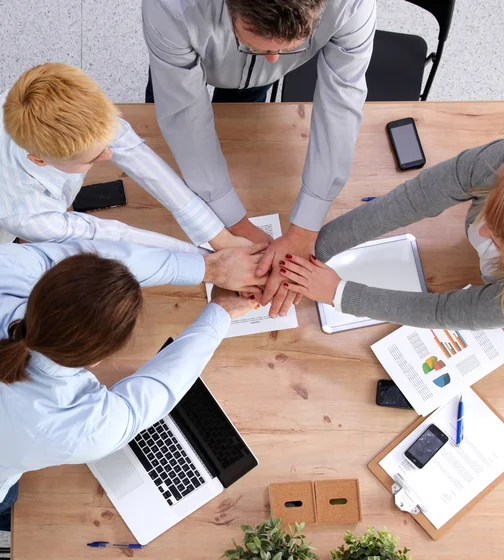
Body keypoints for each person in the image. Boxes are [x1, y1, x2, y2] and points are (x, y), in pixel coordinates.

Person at [0, 239, 267, 530]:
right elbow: (157, 390)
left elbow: (74, 255)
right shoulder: (78, 427)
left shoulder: (9, 266)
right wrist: (222, 309)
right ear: (97, 360)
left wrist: (210, 268)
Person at [142, 0, 376, 317]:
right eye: (255, 46)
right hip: (184, 60)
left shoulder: (352, 3)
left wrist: (305, 228)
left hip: (247, 90)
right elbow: (183, 115)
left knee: (251, 94)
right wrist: (233, 221)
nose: (273, 59)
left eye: (288, 48)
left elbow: (342, 100)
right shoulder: (171, 8)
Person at [279, 137, 504, 331]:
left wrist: (339, 293)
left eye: (500, 240)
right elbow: (407, 202)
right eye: (492, 213)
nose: (484, 230)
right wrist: (310, 252)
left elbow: (443, 312)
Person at [0, 63, 249, 250]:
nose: (109, 154)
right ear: (39, 160)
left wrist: (219, 236)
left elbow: (135, 153)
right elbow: (108, 234)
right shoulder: (27, 217)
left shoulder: (35, 98)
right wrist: (208, 259)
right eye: (92, 159)